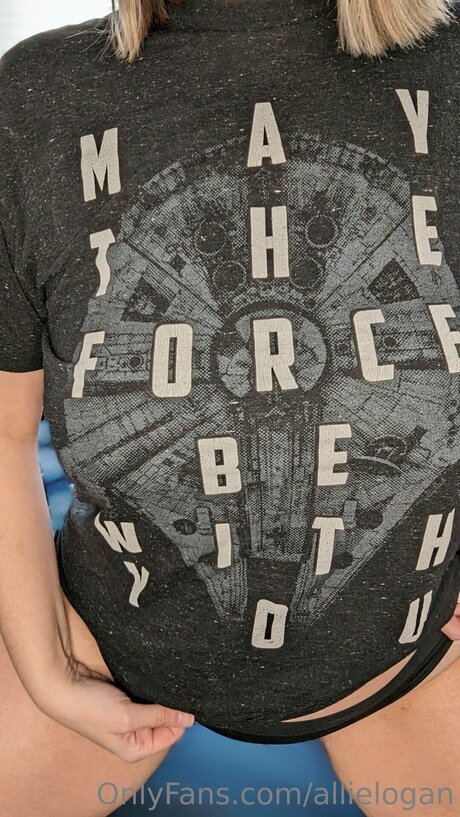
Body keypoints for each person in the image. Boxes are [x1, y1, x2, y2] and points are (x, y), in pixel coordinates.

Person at [0, 0, 458, 814]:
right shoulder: (35, 96)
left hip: (414, 660)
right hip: (100, 644)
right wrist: (46, 670)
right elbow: (3, 433)